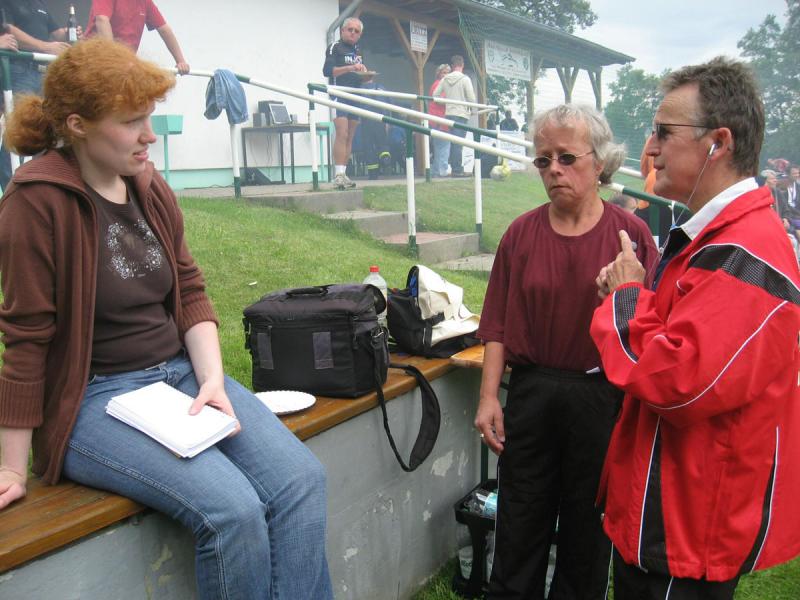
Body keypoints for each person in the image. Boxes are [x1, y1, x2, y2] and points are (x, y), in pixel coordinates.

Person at [0, 39, 333, 600]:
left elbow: (190, 290)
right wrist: (12, 468)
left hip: (177, 377)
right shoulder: (35, 204)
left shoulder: (148, 186)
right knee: (232, 512)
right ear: (78, 125)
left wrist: (211, 380)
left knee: (301, 480)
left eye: (148, 118)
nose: (149, 135)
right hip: (92, 400)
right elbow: (26, 341)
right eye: (132, 122)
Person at [591, 57, 800, 600]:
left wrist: (625, 298)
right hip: (666, 511)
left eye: (664, 132)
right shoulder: (717, 237)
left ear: (719, 142)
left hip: (684, 527)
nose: (650, 148)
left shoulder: (747, 251)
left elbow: (677, 381)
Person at [474, 104, 659, 599]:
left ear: (599, 162)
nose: (553, 169)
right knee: (519, 518)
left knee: (588, 530)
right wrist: (489, 397)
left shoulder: (631, 238)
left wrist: (625, 299)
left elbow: (652, 329)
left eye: (566, 157)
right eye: (543, 160)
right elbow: (496, 325)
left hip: (601, 399)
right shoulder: (521, 234)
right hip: (532, 394)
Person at [0, 0, 73, 191]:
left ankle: (33, 185)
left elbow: (56, 32)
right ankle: (11, 189)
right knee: (18, 130)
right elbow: (8, 30)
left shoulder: (39, 4)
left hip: (42, 72)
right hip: (19, 69)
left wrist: (68, 33)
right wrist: (46, 47)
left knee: (39, 129)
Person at [85, 0, 190, 74]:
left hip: (122, 65)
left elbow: (164, 29)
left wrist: (181, 61)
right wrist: (114, 59)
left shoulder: (145, 2)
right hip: (93, 62)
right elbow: (102, 20)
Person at [323, 17, 368, 190]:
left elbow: (358, 74)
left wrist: (365, 74)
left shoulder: (358, 50)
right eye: (350, 29)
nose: (353, 33)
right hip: (339, 94)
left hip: (355, 95)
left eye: (357, 31)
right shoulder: (335, 47)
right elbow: (328, 71)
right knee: (342, 133)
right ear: (342, 30)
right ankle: (338, 175)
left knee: (350, 136)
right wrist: (350, 68)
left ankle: (344, 173)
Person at [433, 55, 476, 177]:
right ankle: (457, 170)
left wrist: (447, 102)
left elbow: (435, 96)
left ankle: (455, 168)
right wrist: (471, 109)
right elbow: (471, 98)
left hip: (449, 114)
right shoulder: (465, 79)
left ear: (452, 66)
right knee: (458, 143)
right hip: (461, 114)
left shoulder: (445, 79)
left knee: (453, 142)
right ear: (462, 65)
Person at [428, 63, 451, 177]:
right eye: (444, 73)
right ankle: (442, 170)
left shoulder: (438, 84)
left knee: (439, 147)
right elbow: (440, 101)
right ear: (439, 73)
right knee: (444, 146)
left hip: (437, 120)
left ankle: (436, 170)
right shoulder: (439, 85)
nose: (446, 75)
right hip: (439, 120)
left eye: (448, 73)